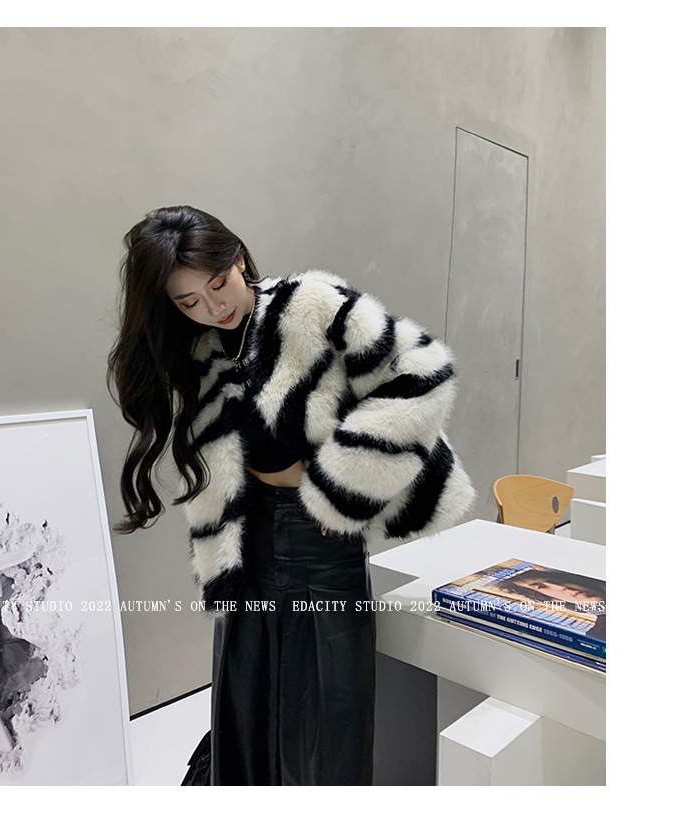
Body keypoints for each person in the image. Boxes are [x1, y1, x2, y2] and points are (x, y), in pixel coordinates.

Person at [107, 205, 475, 785]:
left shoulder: (309, 305)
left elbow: (423, 373)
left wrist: (339, 487)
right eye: (189, 301)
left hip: (319, 541)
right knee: (248, 709)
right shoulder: (200, 350)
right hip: (246, 546)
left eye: (218, 284)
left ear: (239, 259)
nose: (213, 307)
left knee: (328, 721)